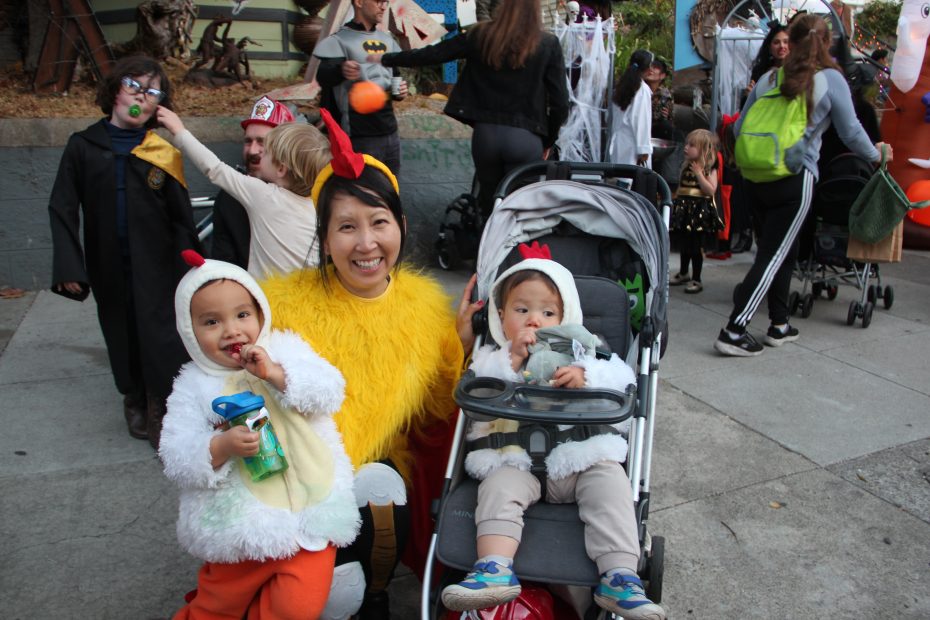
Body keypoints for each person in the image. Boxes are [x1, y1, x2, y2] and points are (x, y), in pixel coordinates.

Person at [260, 109, 476, 619]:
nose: (365, 243)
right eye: (346, 227)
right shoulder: (282, 307)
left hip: (377, 474)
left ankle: (374, 592)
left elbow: (434, 417)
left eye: (379, 222)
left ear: (401, 226)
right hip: (297, 470)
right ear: (324, 238)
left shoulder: (423, 309)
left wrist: (457, 345)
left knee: (381, 486)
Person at [440, 244, 665, 620]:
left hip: (579, 461)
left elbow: (621, 382)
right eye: (521, 310)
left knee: (610, 484)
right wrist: (511, 362)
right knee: (496, 488)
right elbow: (477, 392)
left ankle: (620, 576)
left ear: (566, 317)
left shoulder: (588, 353)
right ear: (500, 316)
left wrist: (586, 376)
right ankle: (493, 568)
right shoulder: (493, 358)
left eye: (548, 313)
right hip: (516, 461)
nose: (534, 321)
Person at [160, 250, 360, 619]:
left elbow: (329, 391)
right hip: (242, 524)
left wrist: (276, 375)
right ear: (189, 330)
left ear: (260, 313)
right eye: (211, 322)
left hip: (313, 511)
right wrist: (220, 446)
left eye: (242, 314)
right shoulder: (193, 385)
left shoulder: (285, 349)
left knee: (298, 607)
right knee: (218, 606)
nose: (232, 330)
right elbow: (175, 455)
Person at [716, 14, 893, 357]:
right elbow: (851, 132)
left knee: (783, 249)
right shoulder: (830, 79)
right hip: (795, 178)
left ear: (792, 43)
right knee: (773, 255)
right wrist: (877, 154)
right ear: (827, 43)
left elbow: (738, 128)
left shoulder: (769, 78)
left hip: (756, 176)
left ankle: (779, 323)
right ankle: (735, 330)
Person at [48, 55, 200, 449]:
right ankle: (133, 394)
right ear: (115, 89)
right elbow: (62, 207)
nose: (142, 97)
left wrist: (191, 262)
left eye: (153, 92)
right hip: (108, 259)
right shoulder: (83, 146)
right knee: (121, 327)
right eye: (134, 86)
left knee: (160, 329)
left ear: (159, 106)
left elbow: (181, 217)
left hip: (158, 260)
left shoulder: (161, 152)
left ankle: (160, 399)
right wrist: (69, 265)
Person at [372, 0, 570, 219]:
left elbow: (432, 54)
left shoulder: (480, 35)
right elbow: (560, 103)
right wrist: (548, 140)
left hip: (486, 136)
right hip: (525, 137)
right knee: (522, 213)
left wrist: (385, 58)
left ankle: (483, 239)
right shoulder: (547, 43)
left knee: (487, 208)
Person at [156, 105, 329, 279]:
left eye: (266, 150)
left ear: (281, 169)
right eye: (248, 141)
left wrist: (180, 132)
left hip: (265, 294)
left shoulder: (263, 195)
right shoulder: (320, 210)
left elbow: (215, 169)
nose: (254, 151)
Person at [313, 0, 409, 175]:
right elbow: (323, 76)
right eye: (378, 1)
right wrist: (341, 70)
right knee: (365, 189)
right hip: (358, 135)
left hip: (390, 131)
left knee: (391, 187)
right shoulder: (339, 41)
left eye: (385, 2)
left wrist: (400, 92)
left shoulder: (388, 41)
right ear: (358, 2)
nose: (383, 6)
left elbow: (394, 76)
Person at [210, 96, 296, 269]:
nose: (252, 151)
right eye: (248, 141)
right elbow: (224, 265)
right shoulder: (230, 198)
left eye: (262, 142)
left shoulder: (306, 196)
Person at [669, 130, 722, 293]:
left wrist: (699, 173)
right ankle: (684, 272)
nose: (686, 147)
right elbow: (681, 186)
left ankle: (696, 278)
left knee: (695, 246)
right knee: (684, 244)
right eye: (686, 144)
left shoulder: (709, 168)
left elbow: (711, 190)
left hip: (698, 211)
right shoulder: (686, 165)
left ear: (703, 149)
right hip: (684, 209)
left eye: (691, 145)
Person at [609, 49, 655, 167]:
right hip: (632, 145)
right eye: (651, 65)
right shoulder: (642, 90)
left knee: (618, 174)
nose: (652, 69)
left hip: (620, 143)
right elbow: (641, 121)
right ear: (646, 68)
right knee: (630, 176)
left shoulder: (621, 86)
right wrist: (643, 149)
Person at [747, 22, 789, 95]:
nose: (782, 46)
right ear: (769, 47)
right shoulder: (760, 71)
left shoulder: (797, 70)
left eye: (786, 42)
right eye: (776, 42)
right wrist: (749, 95)